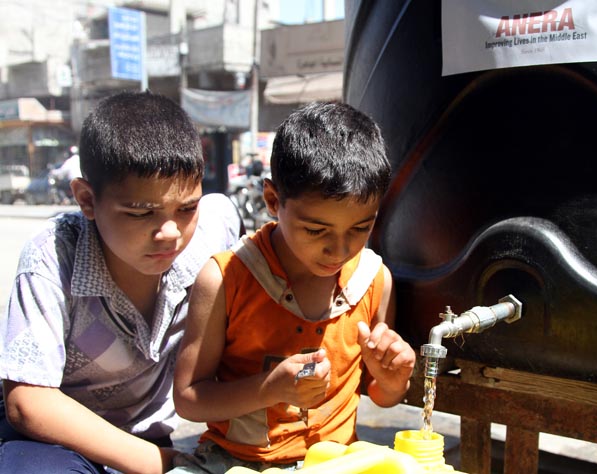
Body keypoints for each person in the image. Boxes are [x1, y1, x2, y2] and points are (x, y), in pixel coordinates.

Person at [0, 91, 244, 474]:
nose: (169, 232)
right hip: (55, 445)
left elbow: (266, 232)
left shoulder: (208, 233)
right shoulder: (53, 257)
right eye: (140, 213)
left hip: (147, 435)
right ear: (86, 200)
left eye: (185, 209)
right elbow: (28, 402)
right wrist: (158, 462)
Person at [170, 101, 416, 473]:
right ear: (272, 200)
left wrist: (393, 379)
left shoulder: (373, 279)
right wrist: (269, 388)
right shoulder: (225, 279)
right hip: (236, 461)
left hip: (338, 463)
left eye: (360, 228)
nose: (340, 249)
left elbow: (380, 395)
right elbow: (188, 399)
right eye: (316, 231)